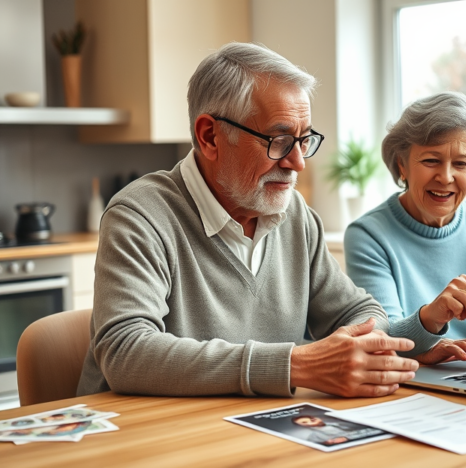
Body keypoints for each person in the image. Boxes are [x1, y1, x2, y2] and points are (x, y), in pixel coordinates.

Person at [77, 42, 440, 399]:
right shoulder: (141, 215)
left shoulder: (294, 215)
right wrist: (294, 365)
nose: (297, 162)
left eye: (304, 140)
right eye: (280, 140)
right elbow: (125, 351)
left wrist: (358, 348)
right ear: (210, 136)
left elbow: (359, 310)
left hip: (250, 431)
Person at [344, 92, 466, 364]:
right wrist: (431, 316)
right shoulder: (368, 236)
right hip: (410, 381)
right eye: (431, 161)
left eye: (461, 164)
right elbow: (381, 339)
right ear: (402, 165)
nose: (445, 177)